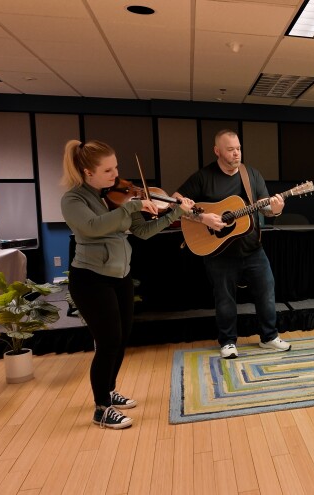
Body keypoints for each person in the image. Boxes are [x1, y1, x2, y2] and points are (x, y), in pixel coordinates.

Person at [60, 139, 195, 429]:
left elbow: (143, 232)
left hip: (120, 278)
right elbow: (93, 227)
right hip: (91, 280)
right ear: (87, 172)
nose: (115, 175)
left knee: (120, 341)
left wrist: (175, 213)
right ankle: (101, 409)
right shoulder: (74, 201)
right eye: (108, 170)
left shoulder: (109, 198)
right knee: (107, 343)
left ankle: (109, 391)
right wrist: (132, 205)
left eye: (116, 167)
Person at [173, 129, 291, 359]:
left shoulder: (251, 175)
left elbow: (265, 207)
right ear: (217, 151)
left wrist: (275, 208)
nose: (236, 153)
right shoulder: (203, 177)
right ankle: (227, 342)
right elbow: (176, 201)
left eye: (238, 148)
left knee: (267, 291)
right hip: (219, 252)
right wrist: (203, 217)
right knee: (225, 299)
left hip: (253, 249)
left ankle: (269, 337)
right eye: (230, 149)